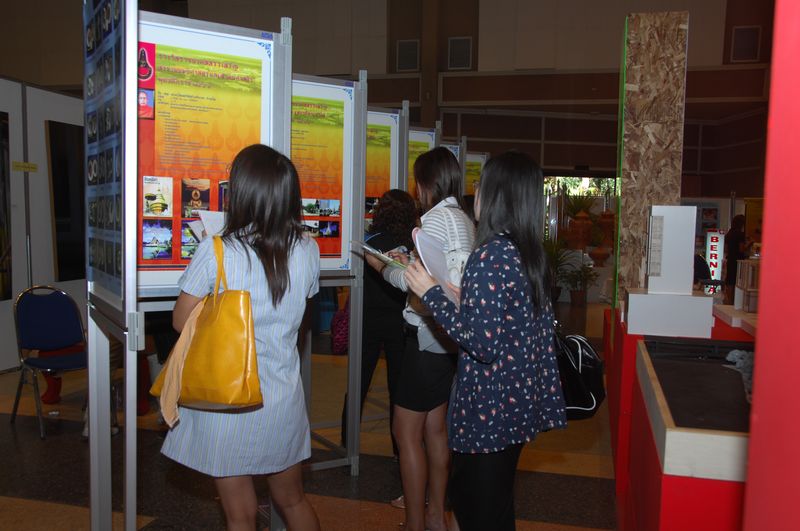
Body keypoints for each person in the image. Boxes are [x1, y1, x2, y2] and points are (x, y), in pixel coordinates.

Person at [405, 151, 568, 531]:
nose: (474, 192)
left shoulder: (491, 255)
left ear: (496, 195)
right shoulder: (525, 252)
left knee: (478, 513)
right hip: (516, 406)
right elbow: (514, 322)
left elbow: (482, 344)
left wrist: (431, 293)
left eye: (480, 185)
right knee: (496, 511)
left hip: (488, 413)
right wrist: (465, 299)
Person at [162, 144, 321, 531]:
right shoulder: (308, 249)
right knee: (293, 500)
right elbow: (302, 310)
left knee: (240, 515)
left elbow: (181, 321)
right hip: (281, 395)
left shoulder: (218, 250)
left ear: (242, 192)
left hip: (227, 399)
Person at [366, 147, 475, 531]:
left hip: (426, 337)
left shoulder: (434, 219)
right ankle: (435, 515)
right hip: (448, 342)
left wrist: (383, 266)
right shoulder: (462, 219)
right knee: (435, 430)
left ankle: (415, 521)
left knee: (405, 431)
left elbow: (419, 287)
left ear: (425, 182)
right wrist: (409, 261)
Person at [341, 189, 418, 455]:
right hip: (400, 320)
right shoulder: (412, 246)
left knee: (358, 381)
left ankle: (347, 443)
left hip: (368, 318)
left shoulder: (370, 242)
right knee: (399, 387)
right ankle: (400, 450)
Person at [724, 214, 751, 304]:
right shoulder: (740, 235)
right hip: (738, 261)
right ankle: (736, 301)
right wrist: (749, 244)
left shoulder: (729, 234)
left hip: (730, 259)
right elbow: (741, 249)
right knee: (738, 280)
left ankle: (729, 300)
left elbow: (726, 249)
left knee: (730, 279)